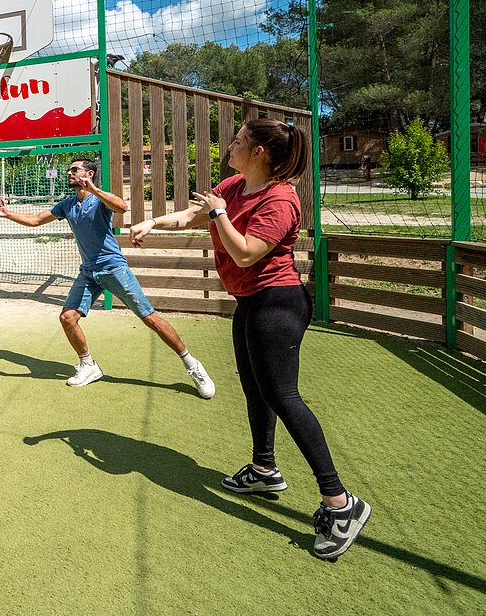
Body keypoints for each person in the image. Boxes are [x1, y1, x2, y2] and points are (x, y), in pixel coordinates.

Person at [129, 119, 371, 560]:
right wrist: (152, 222)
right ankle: (264, 469)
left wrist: (219, 212)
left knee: (283, 396)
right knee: (255, 390)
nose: (232, 145)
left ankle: (341, 503)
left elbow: (244, 251)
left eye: (239, 141)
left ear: (258, 152)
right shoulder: (237, 185)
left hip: (278, 304)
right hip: (249, 303)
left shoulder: (280, 200)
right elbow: (192, 215)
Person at [0, 159, 215, 396]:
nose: (69, 173)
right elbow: (36, 220)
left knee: (150, 319)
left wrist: (94, 189)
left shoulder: (99, 200)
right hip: (88, 272)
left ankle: (192, 364)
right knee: (67, 318)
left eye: (74, 170)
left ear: (89, 173)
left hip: (114, 269)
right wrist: (7, 213)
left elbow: (122, 207)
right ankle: (88, 365)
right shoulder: (67, 205)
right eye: (69, 170)